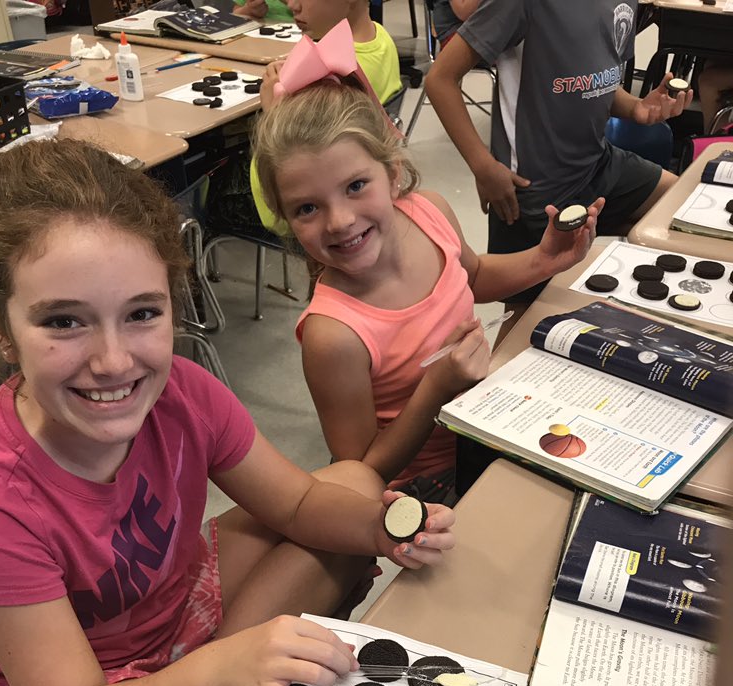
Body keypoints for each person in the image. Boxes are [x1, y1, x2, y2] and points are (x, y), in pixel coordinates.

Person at [0, 138, 456, 686]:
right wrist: (221, 672)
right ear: (0, 326)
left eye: (141, 314)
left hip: (168, 612)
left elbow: (295, 501)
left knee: (355, 484)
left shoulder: (185, 394)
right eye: (64, 322)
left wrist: (381, 527)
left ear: (173, 302)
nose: (112, 362)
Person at [253, 77, 603, 505]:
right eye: (307, 208)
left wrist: (546, 259)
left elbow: (473, 276)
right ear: (285, 218)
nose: (340, 220)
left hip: (490, 418)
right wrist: (437, 387)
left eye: (355, 186)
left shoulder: (428, 212)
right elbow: (361, 471)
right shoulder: (333, 335)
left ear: (393, 174)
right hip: (430, 481)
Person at [425, 0, 693, 330]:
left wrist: (637, 107)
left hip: (599, 163)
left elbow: (600, 80)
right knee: (524, 328)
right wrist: (482, 164)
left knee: (687, 203)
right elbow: (440, 79)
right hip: (535, 188)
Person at [249, 2, 403, 235]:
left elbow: (276, 216)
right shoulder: (379, 38)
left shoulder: (330, 77)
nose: (293, 5)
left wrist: (273, 114)